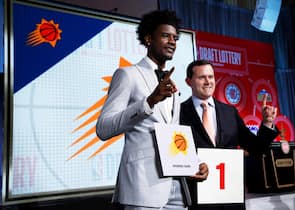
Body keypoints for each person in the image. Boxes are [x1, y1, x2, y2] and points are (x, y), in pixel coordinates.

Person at [96, 10, 208, 210]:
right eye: (165, 35)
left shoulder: (171, 84)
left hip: (177, 188)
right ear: (148, 38)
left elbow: (172, 134)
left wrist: (195, 162)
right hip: (143, 187)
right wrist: (148, 102)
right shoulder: (127, 75)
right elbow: (103, 128)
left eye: (175, 37)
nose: (172, 41)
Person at [180, 60, 279, 210]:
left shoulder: (230, 112)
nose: (208, 82)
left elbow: (256, 148)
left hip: (231, 199)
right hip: (197, 199)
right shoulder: (179, 113)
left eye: (211, 77)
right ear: (189, 82)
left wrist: (267, 123)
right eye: (202, 77)